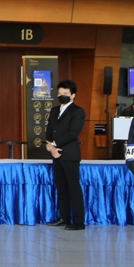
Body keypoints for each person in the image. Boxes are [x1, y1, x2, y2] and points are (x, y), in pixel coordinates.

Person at [45, 80, 86, 231]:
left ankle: (79, 221)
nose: (61, 96)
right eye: (59, 93)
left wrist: (55, 145)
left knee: (73, 188)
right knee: (61, 187)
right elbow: (49, 130)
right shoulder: (54, 110)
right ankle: (64, 217)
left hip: (70, 155)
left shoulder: (78, 111)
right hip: (56, 155)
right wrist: (50, 147)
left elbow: (73, 133)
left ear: (73, 95)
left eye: (65, 93)